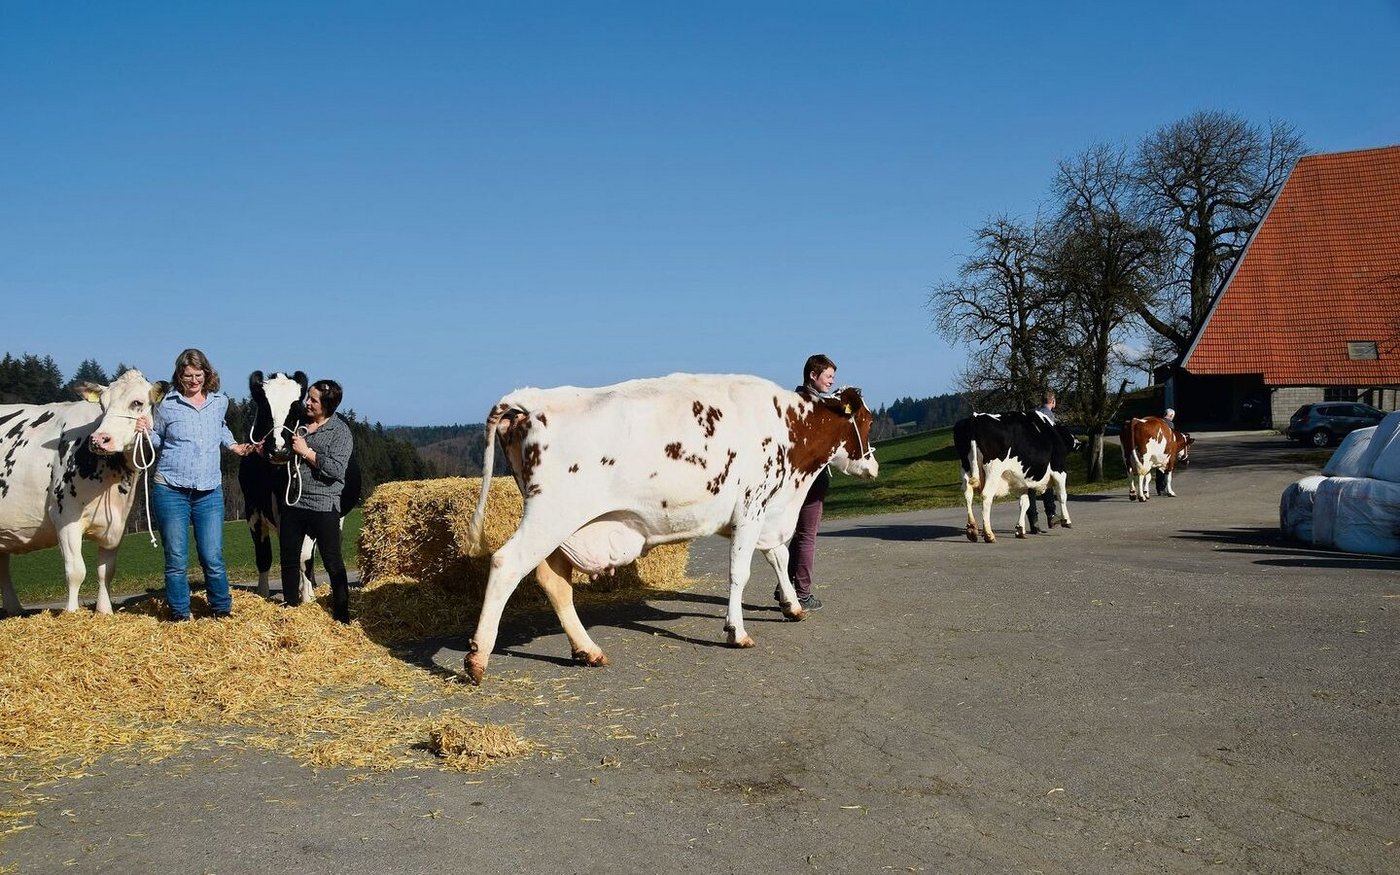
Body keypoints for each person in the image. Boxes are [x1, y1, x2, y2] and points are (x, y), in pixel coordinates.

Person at [137, 348, 255, 621]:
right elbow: (158, 440)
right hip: (170, 488)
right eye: (187, 375)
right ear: (179, 375)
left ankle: (222, 609)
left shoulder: (219, 402)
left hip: (209, 491)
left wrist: (234, 445)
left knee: (212, 556)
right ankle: (180, 613)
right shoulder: (166, 404)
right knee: (177, 558)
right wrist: (145, 430)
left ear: (207, 374)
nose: (193, 381)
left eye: (198, 375)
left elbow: (221, 427)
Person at [276, 379, 355, 623]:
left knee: (332, 561)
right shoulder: (299, 423)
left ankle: (342, 615)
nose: (307, 403)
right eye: (307, 398)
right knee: (289, 559)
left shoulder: (340, 432)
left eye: (313, 400)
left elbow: (335, 470)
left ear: (327, 406)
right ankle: (290, 609)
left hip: (323, 504)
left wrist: (306, 452)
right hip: (294, 501)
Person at [780, 354, 838, 611]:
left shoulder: (794, 402)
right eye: (828, 376)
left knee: (799, 535)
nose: (831, 381)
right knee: (807, 536)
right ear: (813, 376)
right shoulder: (811, 406)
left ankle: (785, 587)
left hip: (796, 479)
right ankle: (802, 594)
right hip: (810, 479)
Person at [1026, 390, 1059, 535]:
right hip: (1044, 454)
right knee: (1047, 485)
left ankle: (1033, 521)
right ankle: (1051, 515)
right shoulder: (1049, 416)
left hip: (1028, 454)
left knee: (1030, 489)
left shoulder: (1032, 414)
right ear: (1053, 401)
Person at [1155, 408, 1177, 497]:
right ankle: (1162, 487)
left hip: (1156, 448)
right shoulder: (1170, 424)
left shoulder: (1158, 421)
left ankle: (1158, 488)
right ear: (1171, 415)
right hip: (1165, 450)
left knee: (1158, 469)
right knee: (1165, 468)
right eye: (1173, 416)